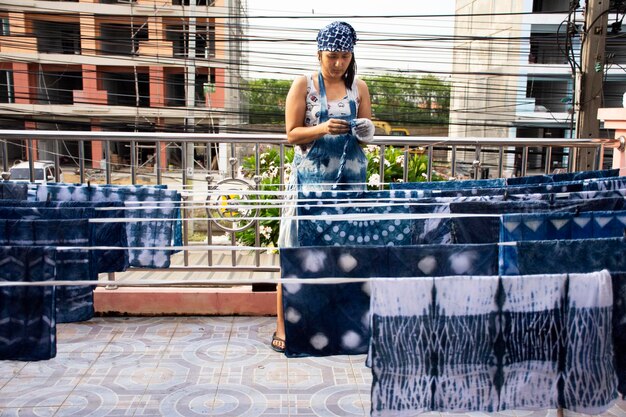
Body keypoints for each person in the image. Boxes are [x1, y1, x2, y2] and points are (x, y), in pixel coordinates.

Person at [271, 21, 375, 353]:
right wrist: (322, 129)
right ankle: (285, 327)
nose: (338, 63)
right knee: (298, 252)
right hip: (310, 187)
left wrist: (363, 128)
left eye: (344, 56)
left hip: (350, 186)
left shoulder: (360, 88)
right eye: (332, 56)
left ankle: (339, 326)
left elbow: (370, 135)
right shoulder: (303, 85)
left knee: (346, 255)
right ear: (319, 54)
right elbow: (291, 134)